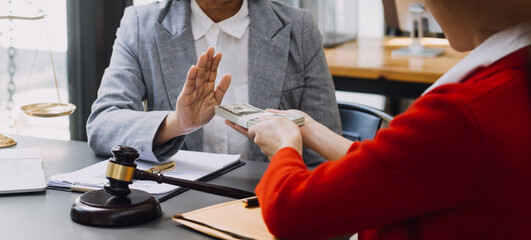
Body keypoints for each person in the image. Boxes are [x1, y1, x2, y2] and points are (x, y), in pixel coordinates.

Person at [229, 0, 531, 238]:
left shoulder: (458, 115)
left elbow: (291, 210)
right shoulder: (508, 84)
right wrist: (306, 127)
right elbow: (402, 168)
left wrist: (284, 147)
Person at [86, 0, 341, 165]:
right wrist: (177, 123)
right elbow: (103, 124)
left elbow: (326, 155)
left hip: (268, 202)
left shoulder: (298, 27)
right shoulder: (141, 25)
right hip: (177, 204)